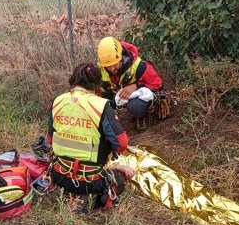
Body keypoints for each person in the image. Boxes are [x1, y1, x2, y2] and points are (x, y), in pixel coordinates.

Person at [46, 62, 135, 212]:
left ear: (73, 81)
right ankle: (88, 199)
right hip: (89, 181)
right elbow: (121, 144)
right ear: (96, 84)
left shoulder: (58, 101)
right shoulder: (101, 105)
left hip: (59, 176)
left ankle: (71, 195)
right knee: (118, 182)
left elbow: (50, 139)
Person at [97, 36, 163, 132]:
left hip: (135, 96)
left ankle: (141, 116)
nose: (112, 69)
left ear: (120, 57)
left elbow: (157, 84)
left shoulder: (138, 66)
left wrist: (136, 86)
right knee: (99, 98)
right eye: (108, 66)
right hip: (115, 92)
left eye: (115, 64)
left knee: (136, 106)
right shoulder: (102, 69)